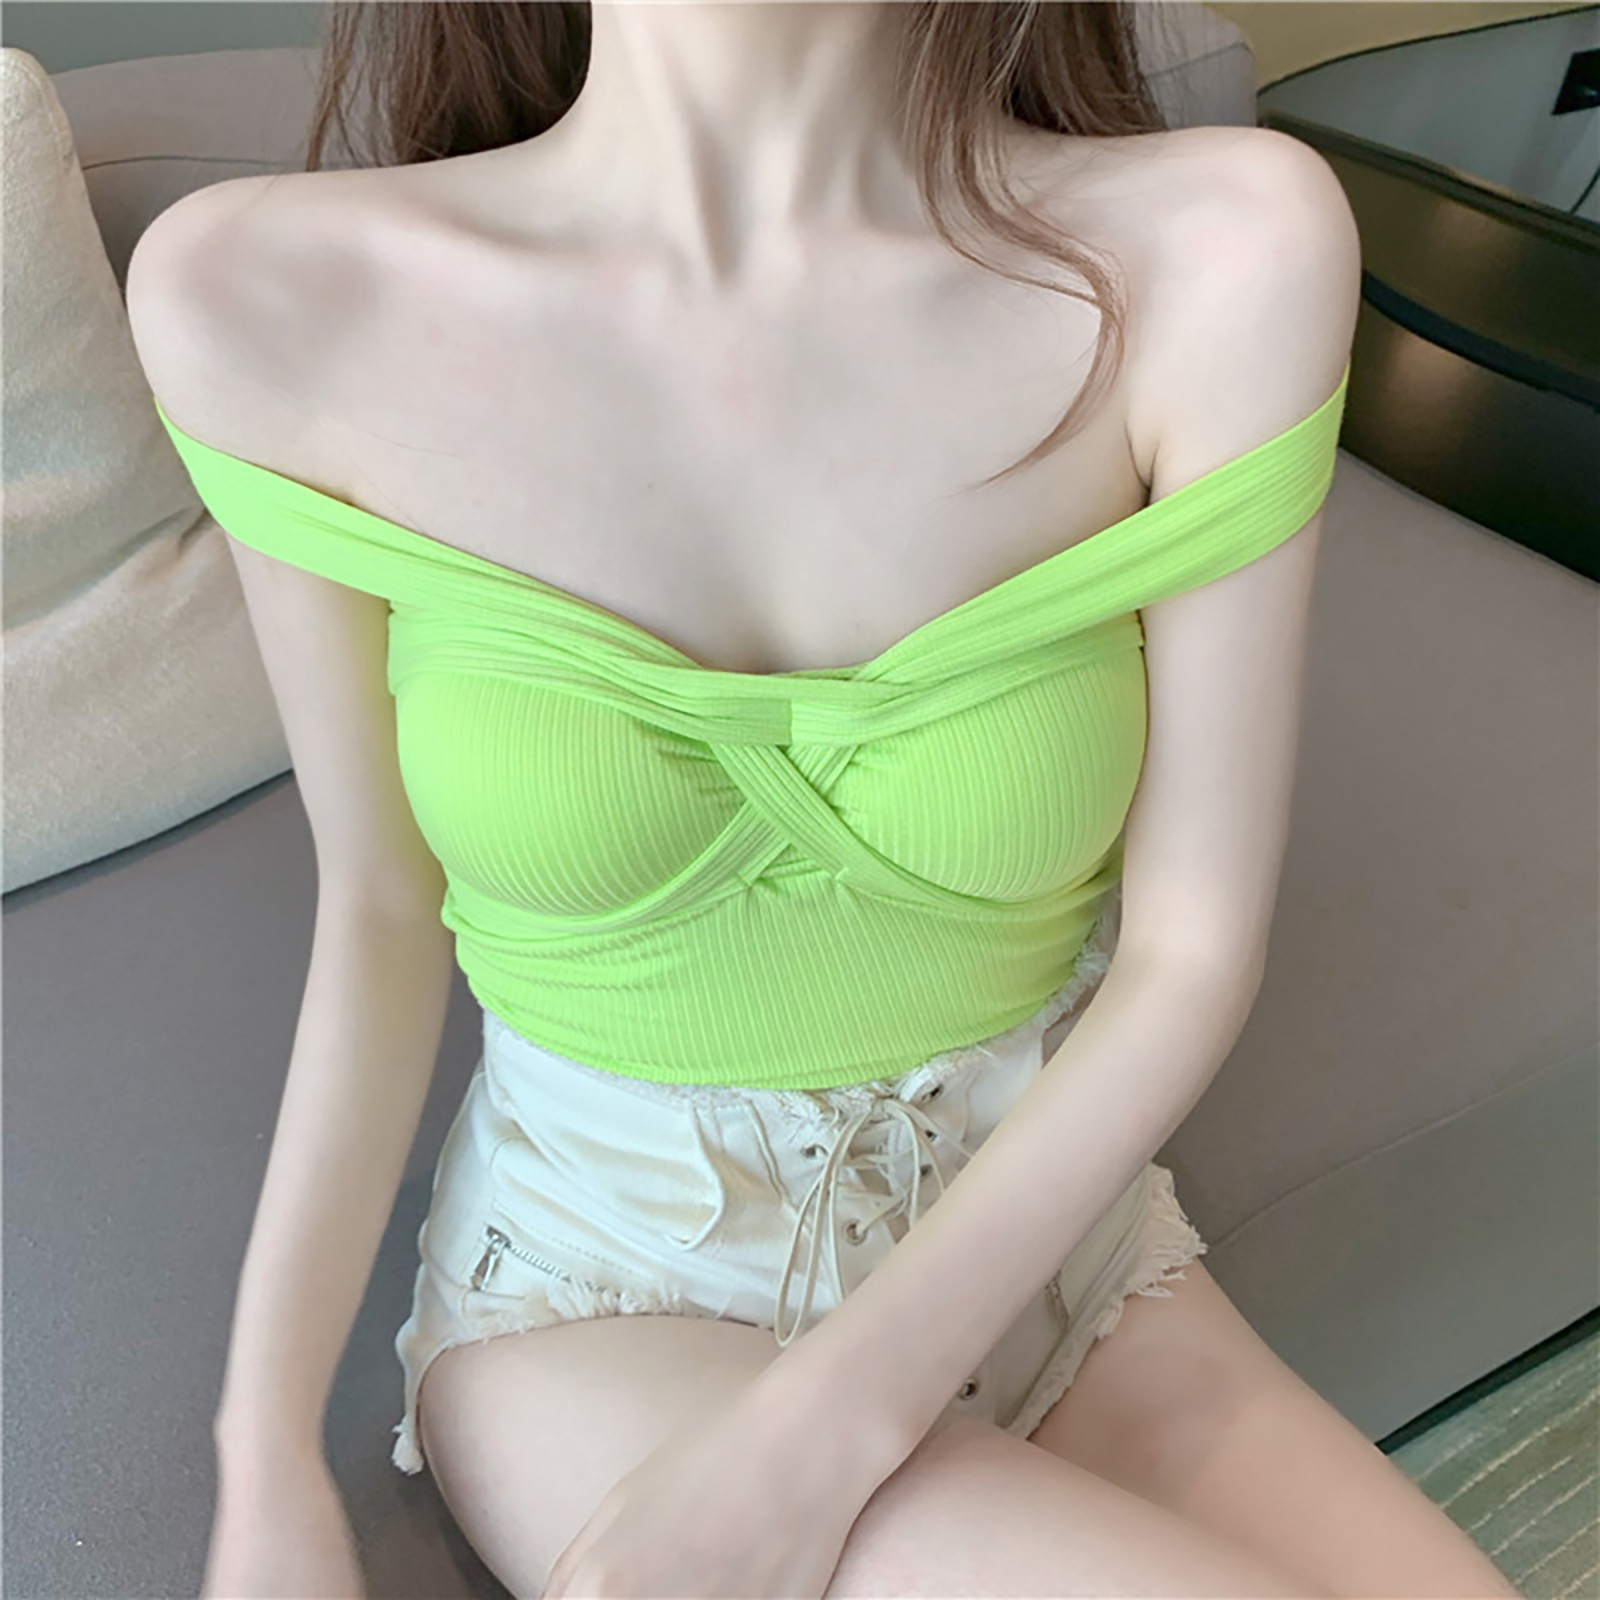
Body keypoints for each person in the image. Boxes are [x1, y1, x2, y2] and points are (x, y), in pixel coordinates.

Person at [127, 3, 1523, 1597]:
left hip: (1055, 1254)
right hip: (604, 1285)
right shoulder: (266, 296)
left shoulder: (1223, 250)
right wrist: (266, 1464)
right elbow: (380, 913)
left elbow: (1192, 953)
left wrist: (820, 1434)